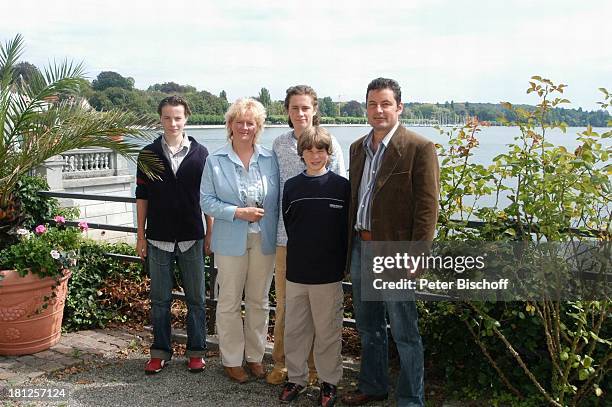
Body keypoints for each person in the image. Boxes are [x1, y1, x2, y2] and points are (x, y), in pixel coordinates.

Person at [341, 78, 439, 407]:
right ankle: (373, 386)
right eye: (372, 104)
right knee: (368, 328)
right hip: (360, 248)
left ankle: (411, 400)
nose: (378, 110)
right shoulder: (357, 148)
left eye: (385, 104)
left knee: (404, 332)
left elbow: (427, 210)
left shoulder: (418, 148)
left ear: (399, 107)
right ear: (366, 108)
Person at [268, 85, 346, 386]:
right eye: (294, 108)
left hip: (321, 245)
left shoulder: (329, 143)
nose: (300, 113)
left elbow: (338, 187)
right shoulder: (278, 144)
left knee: (321, 315)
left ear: (314, 110)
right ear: (287, 111)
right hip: (286, 240)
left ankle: (316, 372)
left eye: (305, 108)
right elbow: (274, 190)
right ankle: (283, 365)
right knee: (288, 308)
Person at [199, 98, 279, 384]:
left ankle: (256, 357)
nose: (245, 127)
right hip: (230, 240)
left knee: (259, 301)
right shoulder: (215, 160)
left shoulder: (271, 159)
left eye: (251, 123)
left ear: (258, 127)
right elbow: (206, 201)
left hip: (264, 240)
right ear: (230, 125)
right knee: (230, 301)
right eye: (240, 122)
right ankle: (232, 359)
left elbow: (279, 200)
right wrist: (237, 212)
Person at [135, 95, 211, 375]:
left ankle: (196, 351)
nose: (172, 123)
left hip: (193, 236)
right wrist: (140, 235)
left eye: (177, 117)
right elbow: (141, 196)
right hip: (158, 237)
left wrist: (210, 232)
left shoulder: (201, 153)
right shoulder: (147, 155)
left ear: (186, 118)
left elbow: (207, 197)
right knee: (160, 300)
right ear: (160, 119)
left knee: (197, 300)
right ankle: (160, 352)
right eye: (167, 117)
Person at [278, 126, 349, 407]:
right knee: (295, 330)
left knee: (328, 332)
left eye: (320, 149)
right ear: (301, 153)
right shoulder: (292, 186)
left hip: (328, 275)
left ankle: (328, 383)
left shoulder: (342, 187)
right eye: (309, 150)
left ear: (328, 153)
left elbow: (345, 232)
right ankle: (295, 379)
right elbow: (289, 222)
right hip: (297, 272)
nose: (315, 155)